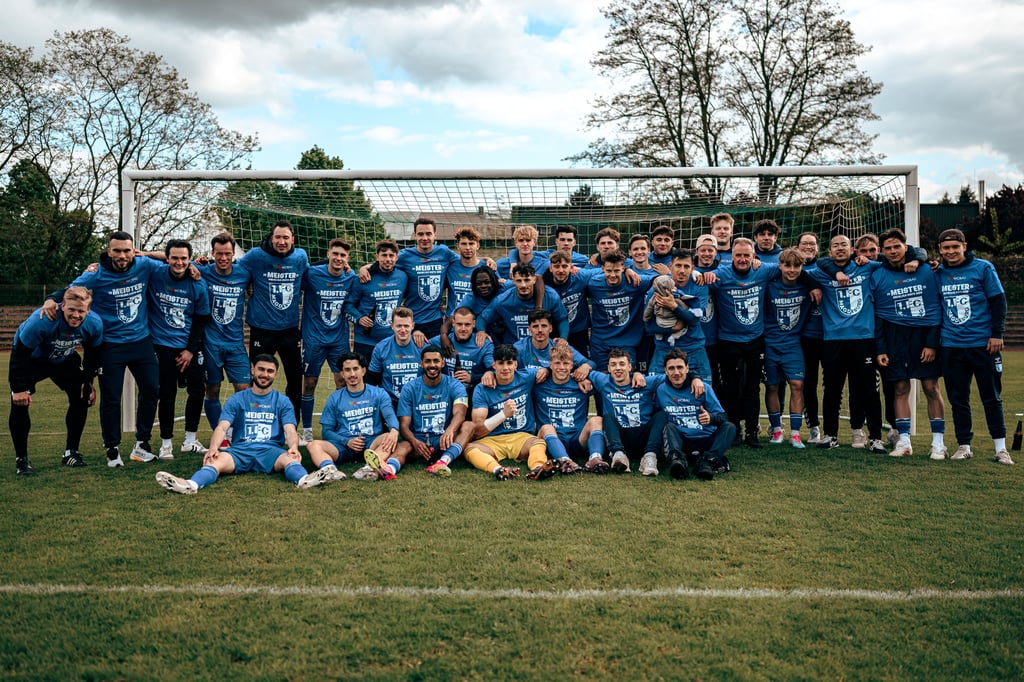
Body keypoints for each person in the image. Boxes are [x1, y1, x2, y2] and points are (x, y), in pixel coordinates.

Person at [42, 230, 162, 467]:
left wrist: (145, 252)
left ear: (133, 251)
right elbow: (70, 291)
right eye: (117, 250)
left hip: (141, 341)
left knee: (151, 390)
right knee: (111, 397)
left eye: (127, 250)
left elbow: (170, 259)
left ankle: (142, 445)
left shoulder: (144, 264)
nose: (122, 255)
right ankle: (112, 449)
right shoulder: (96, 274)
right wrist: (50, 300)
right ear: (109, 251)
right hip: (110, 345)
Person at [155, 355, 337, 494]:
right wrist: (213, 448)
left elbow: (289, 429)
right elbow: (222, 427)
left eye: (270, 371)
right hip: (240, 450)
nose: (265, 375)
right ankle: (190, 485)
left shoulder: (282, 401)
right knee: (215, 461)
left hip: (271, 451)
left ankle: (305, 479)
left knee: (290, 459)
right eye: (261, 369)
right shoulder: (237, 399)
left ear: (275, 374)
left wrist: (294, 447)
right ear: (252, 370)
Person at [935, 228, 1012, 465]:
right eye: (946, 248)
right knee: (958, 399)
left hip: (983, 344)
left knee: (991, 397)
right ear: (940, 250)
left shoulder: (983, 268)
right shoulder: (937, 272)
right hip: (951, 345)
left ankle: (1001, 448)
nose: (951, 252)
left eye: (955, 247)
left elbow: (998, 301)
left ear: (964, 246)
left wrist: (996, 334)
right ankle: (964, 445)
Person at [805, 234, 887, 452]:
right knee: (832, 389)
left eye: (844, 245)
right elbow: (798, 273)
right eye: (835, 246)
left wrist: (919, 258)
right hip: (833, 340)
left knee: (868, 389)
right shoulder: (822, 272)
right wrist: (816, 285)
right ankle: (831, 435)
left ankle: (875, 437)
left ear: (853, 250)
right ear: (829, 252)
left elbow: (895, 259)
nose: (839, 248)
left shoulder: (867, 267)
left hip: (864, 339)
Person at [9, 286, 102, 474]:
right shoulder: (42, 321)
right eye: (71, 310)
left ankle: (71, 453)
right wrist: (19, 388)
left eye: (81, 311)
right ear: (62, 306)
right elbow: (20, 353)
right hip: (32, 360)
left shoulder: (94, 323)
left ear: (88, 310)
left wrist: (87, 381)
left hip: (63, 359)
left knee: (81, 396)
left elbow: (92, 353)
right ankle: (22, 460)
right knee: (19, 403)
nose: (76, 315)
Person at [872, 228, 947, 459]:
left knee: (930, 388)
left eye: (897, 246)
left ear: (906, 247)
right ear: (882, 252)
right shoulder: (878, 274)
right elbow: (878, 316)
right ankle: (904, 441)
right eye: (888, 248)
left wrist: (932, 344)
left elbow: (936, 308)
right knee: (900, 389)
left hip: (923, 337)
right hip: (895, 339)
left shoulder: (927, 270)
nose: (893, 251)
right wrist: (881, 348)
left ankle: (938, 443)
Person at [706, 238, 777, 447]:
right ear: (732, 257)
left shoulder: (764, 270)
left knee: (753, 388)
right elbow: (697, 277)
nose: (743, 259)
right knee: (731, 388)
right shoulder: (721, 274)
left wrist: (815, 287)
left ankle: (752, 432)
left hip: (756, 340)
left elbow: (793, 266)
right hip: (728, 341)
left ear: (754, 256)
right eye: (738, 255)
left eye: (747, 255)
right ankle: (734, 429)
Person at [238, 219, 309, 420]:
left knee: (295, 380)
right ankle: (255, 419)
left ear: (292, 239)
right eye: (277, 237)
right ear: (271, 237)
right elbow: (234, 270)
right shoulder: (256, 256)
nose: (281, 241)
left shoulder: (300, 257)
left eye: (286, 237)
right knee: (258, 379)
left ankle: (291, 425)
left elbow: (310, 277)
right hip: (262, 330)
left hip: (289, 330)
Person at [147, 239, 211, 460]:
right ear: (167, 258)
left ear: (189, 259)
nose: (179, 262)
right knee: (167, 394)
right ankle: (166, 444)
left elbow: (201, 318)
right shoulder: (156, 273)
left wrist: (190, 350)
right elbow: (140, 258)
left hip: (188, 347)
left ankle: (190, 441)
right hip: (162, 345)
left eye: (184, 258)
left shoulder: (197, 283)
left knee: (197, 389)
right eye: (174, 257)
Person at [306, 351, 409, 482]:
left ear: (363, 371)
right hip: (343, 446)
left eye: (355, 369)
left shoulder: (378, 393)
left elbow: (390, 415)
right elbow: (326, 432)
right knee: (313, 445)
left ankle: (368, 469)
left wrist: (394, 430)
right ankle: (330, 471)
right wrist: (346, 441)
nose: (352, 374)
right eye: (347, 370)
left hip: (371, 444)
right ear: (342, 374)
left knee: (388, 437)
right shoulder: (334, 398)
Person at [299, 238, 358, 443]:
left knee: (342, 382)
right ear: (328, 254)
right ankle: (306, 430)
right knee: (310, 382)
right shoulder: (312, 274)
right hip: (313, 339)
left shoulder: (351, 278)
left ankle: (341, 427)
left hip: (339, 339)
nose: (339, 258)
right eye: (336, 254)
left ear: (347, 258)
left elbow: (365, 280)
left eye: (343, 255)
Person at [198, 232, 252, 446]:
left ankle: (240, 433)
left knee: (244, 389)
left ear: (233, 254)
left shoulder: (244, 272)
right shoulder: (202, 271)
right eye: (219, 254)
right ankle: (221, 436)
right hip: (210, 342)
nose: (223, 258)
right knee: (213, 389)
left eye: (227, 253)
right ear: (212, 253)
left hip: (236, 343)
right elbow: (170, 260)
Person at [465, 344, 549, 480]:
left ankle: (538, 469)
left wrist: (546, 370)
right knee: (469, 449)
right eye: (501, 363)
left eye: (509, 363)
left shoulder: (526, 377)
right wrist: (503, 414)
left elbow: (550, 370)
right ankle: (498, 470)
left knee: (538, 443)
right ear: (494, 365)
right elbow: (478, 429)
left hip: (521, 436)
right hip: (492, 439)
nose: (505, 368)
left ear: (515, 364)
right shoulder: (482, 388)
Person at [763, 248, 815, 448]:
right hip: (770, 344)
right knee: (772, 386)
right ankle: (776, 430)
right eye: (788, 265)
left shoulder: (807, 286)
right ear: (780, 266)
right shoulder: (769, 286)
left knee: (797, 385)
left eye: (797, 265)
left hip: (793, 344)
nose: (792, 270)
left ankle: (795, 434)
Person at [655, 349, 734, 480]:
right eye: (671, 368)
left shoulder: (703, 387)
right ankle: (678, 462)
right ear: (665, 370)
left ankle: (707, 461)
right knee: (669, 427)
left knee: (730, 427)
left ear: (687, 368)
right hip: (682, 441)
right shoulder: (661, 390)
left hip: (705, 438)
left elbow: (723, 417)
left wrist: (711, 418)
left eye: (680, 367)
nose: (676, 372)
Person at [588, 349, 669, 475]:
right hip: (621, 437)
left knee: (661, 415)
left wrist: (695, 378)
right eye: (613, 365)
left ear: (630, 367)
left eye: (622, 364)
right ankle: (619, 455)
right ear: (608, 368)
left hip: (643, 435)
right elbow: (579, 373)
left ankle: (650, 457)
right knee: (608, 417)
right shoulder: (603, 381)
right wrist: (583, 380)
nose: (618, 368)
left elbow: (672, 376)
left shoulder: (645, 381)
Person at [398, 345, 476, 476]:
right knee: (402, 447)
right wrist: (414, 441)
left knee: (469, 426)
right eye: (428, 361)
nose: (432, 365)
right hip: (419, 441)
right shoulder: (409, 388)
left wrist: (450, 430)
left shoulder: (455, 385)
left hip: (445, 440)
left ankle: (443, 462)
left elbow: (460, 413)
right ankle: (389, 469)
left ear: (442, 363)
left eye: (436, 361)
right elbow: (404, 425)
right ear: (421, 364)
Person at [533, 344, 603, 474]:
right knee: (546, 427)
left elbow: (607, 381)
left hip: (578, 438)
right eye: (557, 363)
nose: (561, 367)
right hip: (551, 439)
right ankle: (565, 461)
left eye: (566, 363)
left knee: (597, 420)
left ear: (572, 366)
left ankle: (595, 458)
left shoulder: (581, 384)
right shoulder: (538, 384)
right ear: (551, 365)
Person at [584, 248, 653, 372]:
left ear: (622, 268)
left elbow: (658, 280)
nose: (612, 275)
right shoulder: (593, 284)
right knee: (602, 380)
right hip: (601, 342)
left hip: (627, 342)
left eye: (617, 270)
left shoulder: (635, 282)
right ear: (603, 269)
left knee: (625, 379)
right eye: (609, 270)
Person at [644, 248, 708, 377]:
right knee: (655, 392)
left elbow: (694, 320)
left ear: (692, 268)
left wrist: (674, 306)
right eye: (678, 265)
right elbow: (648, 326)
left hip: (693, 347)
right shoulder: (658, 287)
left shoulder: (699, 285)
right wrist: (672, 328)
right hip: (664, 349)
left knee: (703, 390)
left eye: (686, 266)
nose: (682, 271)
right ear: (670, 266)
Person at [476, 263, 568, 344]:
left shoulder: (550, 296)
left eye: (527, 280)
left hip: (541, 349)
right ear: (513, 280)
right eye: (519, 281)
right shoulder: (503, 301)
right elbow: (482, 318)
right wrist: (481, 331)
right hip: (513, 351)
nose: (523, 285)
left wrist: (563, 338)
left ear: (534, 280)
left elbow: (562, 319)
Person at [350, 239, 409, 361]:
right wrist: (358, 317)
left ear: (396, 258)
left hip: (391, 340)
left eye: (391, 255)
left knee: (388, 379)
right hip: (365, 341)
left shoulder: (402, 277)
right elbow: (347, 305)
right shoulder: (363, 278)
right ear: (377, 257)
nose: (388, 259)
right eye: (384, 255)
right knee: (365, 378)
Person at [795, 232, 825, 444]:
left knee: (832, 384)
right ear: (797, 247)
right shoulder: (791, 268)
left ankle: (845, 429)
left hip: (831, 335)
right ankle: (813, 426)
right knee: (808, 383)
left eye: (812, 244)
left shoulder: (827, 266)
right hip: (806, 337)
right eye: (804, 243)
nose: (808, 246)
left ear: (817, 248)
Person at [367, 306, 424, 405]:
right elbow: (371, 380)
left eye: (406, 326)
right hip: (390, 402)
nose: (402, 330)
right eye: (399, 326)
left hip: (417, 401)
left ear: (413, 326)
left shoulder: (423, 347)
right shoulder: (381, 348)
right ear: (392, 325)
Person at [543, 250, 591, 357]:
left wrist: (626, 270)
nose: (561, 270)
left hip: (578, 331)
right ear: (550, 268)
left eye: (565, 266)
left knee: (581, 364)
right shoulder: (543, 284)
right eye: (556, 266)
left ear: (571, 267)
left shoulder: (581, 277)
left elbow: (602, 271)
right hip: (554, 333)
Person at [513, 309, 592, 374]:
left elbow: (591, 363)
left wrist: (585, 366)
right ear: (529, 329)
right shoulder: (519, 348)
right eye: (535, 326)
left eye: (544, 326)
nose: (540, 330)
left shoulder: (559, 346)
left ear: (550, 328)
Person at [445, 226, 488, 317]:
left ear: (478, 246)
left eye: (471, 243)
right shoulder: (450, 267)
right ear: (458, 246)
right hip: (454, 322)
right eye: (464, 244)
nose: (468, 247)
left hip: (476, 321)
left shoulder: (487, 268)